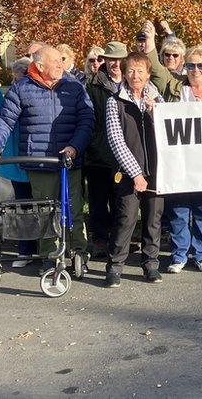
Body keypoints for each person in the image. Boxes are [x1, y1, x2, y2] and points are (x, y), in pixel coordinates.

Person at [0, 45, 96, 274]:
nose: (60, 65)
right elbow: (5, 120)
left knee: (72, 208)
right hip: (39, 162)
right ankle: (49, 256)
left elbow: (87, 120)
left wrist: (75, 147)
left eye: (61, 61)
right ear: (40, 65)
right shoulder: (22, 88)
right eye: (55, 61)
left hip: (68, 160)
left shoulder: (74, 86)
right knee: (45, 211)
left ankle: (78, 252)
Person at [149, 45, 202, 273]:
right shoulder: (175, 89)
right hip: (180, 162)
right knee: (179, 210)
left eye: (201, 65)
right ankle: (179, 254)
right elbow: (155, 69)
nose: (196, 70)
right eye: (191, 65)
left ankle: (201, 254)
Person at [104, 52, 166, 287]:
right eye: (131, 70)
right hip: (128, 172)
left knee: (153, 219)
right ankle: (115, 266)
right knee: (125, 218)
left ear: (148, 74)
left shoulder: (158, 100)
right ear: (124, 73)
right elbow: (116, 141)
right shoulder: (114, 101)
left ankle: (151, 264)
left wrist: (155, 114)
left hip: (156, 170)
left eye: (140, 71)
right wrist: (136, 174)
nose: (135, 75)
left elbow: (168, 136)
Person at [0, 57, 38, 267]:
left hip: (36, 157)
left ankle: (44, 246)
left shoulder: (35, 93)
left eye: (19, 78)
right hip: (16, 161)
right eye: (14, 79)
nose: (16, 84)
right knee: (22, 206)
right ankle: (25, 250)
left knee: (41, 205)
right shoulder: (12, 97)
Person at [83, 42, 129, 260]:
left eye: (119, 59)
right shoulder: (93, 85)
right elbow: (86, 119)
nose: (115, 64)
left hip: (127, 155)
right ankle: (100, 240)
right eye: (111, 59)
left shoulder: (133, 83)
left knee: (122, 202)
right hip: (99, 154)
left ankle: (120, 241)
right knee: (99, 202)